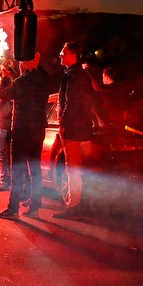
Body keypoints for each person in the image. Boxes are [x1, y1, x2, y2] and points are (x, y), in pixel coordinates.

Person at [0, 53, 50, 219]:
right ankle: (35, 208)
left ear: (24, 64)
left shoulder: (22, 82)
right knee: (35, 170)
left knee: (18, 170)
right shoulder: (44, 79)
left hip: (23, 130)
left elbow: (3, 95)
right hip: (38, 129)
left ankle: (13, 209)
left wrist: (5, 77)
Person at [53, 42, 95, 220]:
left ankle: (74, 205)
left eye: (64, 52)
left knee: (73, 169)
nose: (61, 54)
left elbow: (71, 101)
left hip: (73, 129)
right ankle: (81, 204)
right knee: (79, 168)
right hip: (83, 128)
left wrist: (63, 122)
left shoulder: (72, 75)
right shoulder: (82, 74)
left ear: (73, 55)